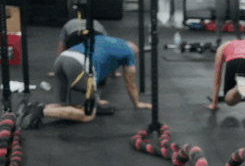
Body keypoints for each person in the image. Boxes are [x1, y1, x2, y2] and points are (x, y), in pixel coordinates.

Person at [18, 35, 151, 128]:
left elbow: (96, 71)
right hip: (79, 65)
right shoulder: (128, 53)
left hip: (63, 59)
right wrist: (137, 103)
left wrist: (96, 99)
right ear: (134, 52)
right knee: (87, 114)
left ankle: (31, 108)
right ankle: (40, 111)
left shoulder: (108, 41)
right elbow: (130, 83)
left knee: (66, 105)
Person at [206, 34, 245, 111]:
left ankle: (238, 88)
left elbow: (217, 78)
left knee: (229, 101)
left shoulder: (222, 48)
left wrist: (213, 104)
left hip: (237, 60)